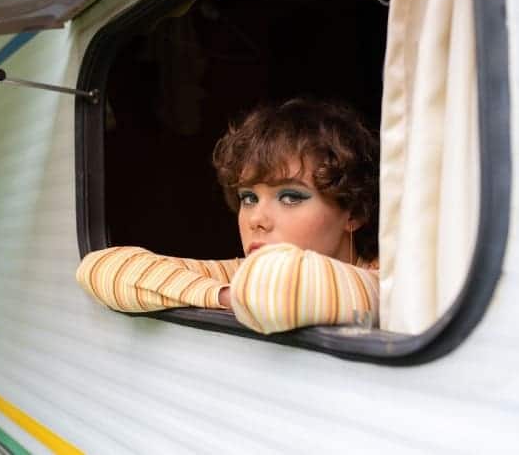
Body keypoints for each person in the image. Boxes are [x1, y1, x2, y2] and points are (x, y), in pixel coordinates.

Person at [76, 98, 379, 334]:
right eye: (249, 197)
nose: (255, 219)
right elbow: (99, 268)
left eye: (289, 196)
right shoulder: (242, 276)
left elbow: (278, 284)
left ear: (354, 211)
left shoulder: (393, 280)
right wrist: (225, 297)